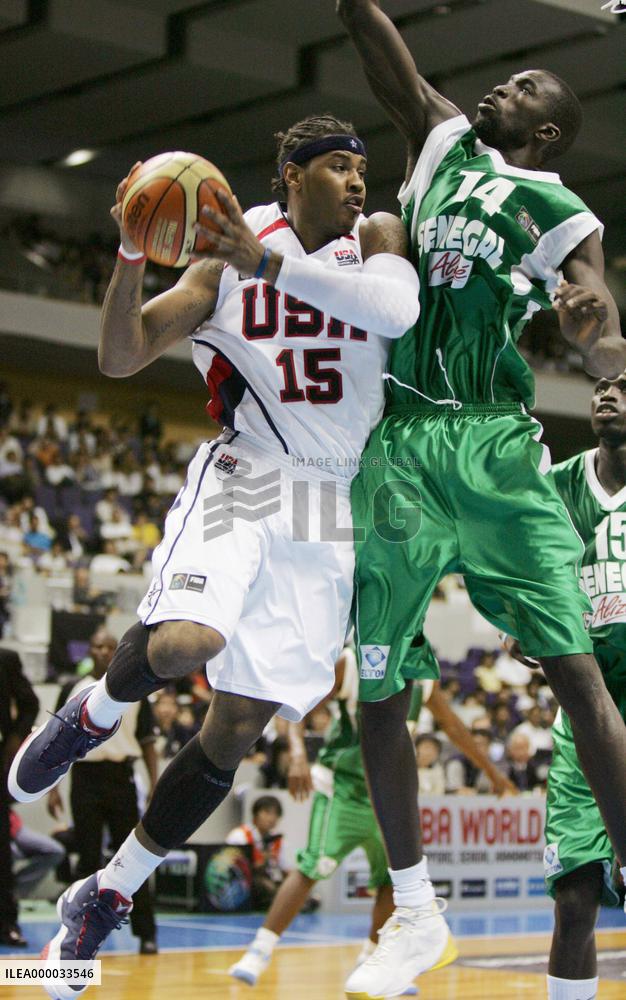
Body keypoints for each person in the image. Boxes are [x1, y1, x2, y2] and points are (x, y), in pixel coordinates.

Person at [8, 113, 420, 997]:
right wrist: (127, 254)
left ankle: (107, 892)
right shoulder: (220, 264)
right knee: (186, 641)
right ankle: (95, 708)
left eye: (361, 167)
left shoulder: (377, 241)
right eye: (337, 168)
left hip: (329, 501)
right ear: (290, 177)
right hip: (251, 472)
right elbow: (120, 356)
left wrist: (270, 266)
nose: (356, 182)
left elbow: (398, 308)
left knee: (233, 731)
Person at [336, 3, 626, 997]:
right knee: (373, 683)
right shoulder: (445, 141)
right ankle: (415, 911)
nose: (504, 84)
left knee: (574, 673)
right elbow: (382, 56)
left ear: (545, 131)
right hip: (400, 441)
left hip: (492, 441)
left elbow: (598, 320)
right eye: (506, 80)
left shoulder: (555, 205)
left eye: (528, 89)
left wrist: (598, 339)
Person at [229, 640, 514, 988]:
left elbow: (455, 728)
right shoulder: (351, 662)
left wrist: (495, 775)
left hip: (386, 795)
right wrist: (299, 754)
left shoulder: (422, 680)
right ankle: (259, 950)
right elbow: (299, 708)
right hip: (342, 788)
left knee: (392, 879)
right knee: (313, 866)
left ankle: (375, 957)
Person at [508, 371, 626, 1000]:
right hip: (588, 711)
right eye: (602, 385)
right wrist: (517, 620)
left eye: (625, 387)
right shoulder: (555, 488)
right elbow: (516, 569)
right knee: (575, 901)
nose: (607, 394)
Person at [46, 629, 158, 954]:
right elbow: (57, 739)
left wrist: (153, 781)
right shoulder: (72, 688)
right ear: (90, 651)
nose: (104, 652)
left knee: (134, 860)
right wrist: (53, 786)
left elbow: (148, 742)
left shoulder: (138, 689)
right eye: (98, 646)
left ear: (118, 651)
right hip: (84, 777)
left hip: (121, 776)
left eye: (110, 647)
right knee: (87, 858)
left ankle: (147, 934)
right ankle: (75, 937)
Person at [0, 647, 39, 947]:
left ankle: (6, 923)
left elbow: (30, 704)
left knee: (1, 852)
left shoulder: (6, 659)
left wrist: (14, 738)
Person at [226, 795, 286, 909]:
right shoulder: (240, 835)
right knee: (266, 886)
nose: (272, 818)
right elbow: (233, 868)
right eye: (267, 812)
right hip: (246, 881)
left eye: (276, 814)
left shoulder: (277, 839)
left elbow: (284, 868)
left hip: (271, 877)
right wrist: (260, 861)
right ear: (256, 813)